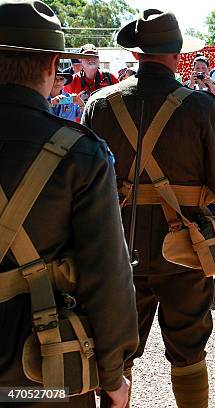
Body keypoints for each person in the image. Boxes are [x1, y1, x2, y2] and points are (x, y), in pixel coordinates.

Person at [81, 9, 215, 407]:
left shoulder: (100, 105)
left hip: (116, 250)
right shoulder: (198, 107)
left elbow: (81, 185)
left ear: (138, 52)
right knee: (189, 349)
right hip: (186, 246)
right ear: (176, 55)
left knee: (114, 354)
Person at [0, 1, 138, 407]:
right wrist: (112, 374)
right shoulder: (79, 153)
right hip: (44, 371)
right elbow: (107, 274)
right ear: (52, 67)